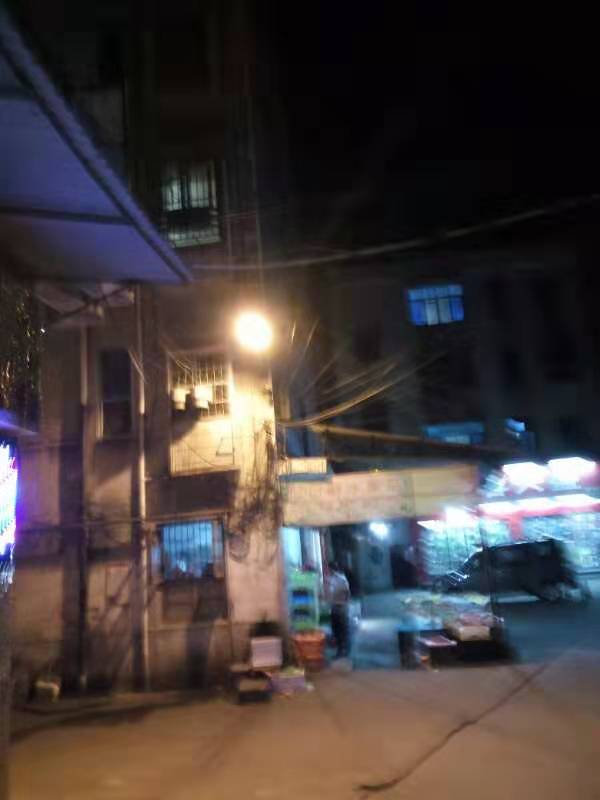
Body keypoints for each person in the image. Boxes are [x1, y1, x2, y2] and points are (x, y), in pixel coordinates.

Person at [326, 562, 351, 658]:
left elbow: (347, 593)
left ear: (332, 569)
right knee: (336, 629)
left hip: (340, 607)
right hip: (334, 607)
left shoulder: (340, 579)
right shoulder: (332, 579)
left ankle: (344, 650)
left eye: (329, 569)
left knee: (342, 630)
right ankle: (341, 650)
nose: (328, 571)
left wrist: (343, 603)